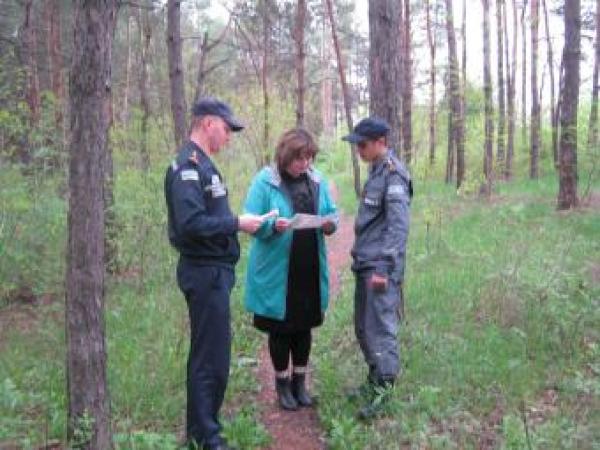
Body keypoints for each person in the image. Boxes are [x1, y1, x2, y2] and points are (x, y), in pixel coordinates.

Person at [164, 97, 264, 450]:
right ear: (208, 123)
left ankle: (203, 430)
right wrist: (238, 223)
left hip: (215, 273)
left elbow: (207, 217)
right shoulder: (188, 167)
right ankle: (207, 438)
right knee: (210, 358)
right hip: (203, 273)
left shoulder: (204, 165)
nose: (229, 137)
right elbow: (191, 224)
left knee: (213, 354)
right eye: (226, 128)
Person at [243, 128, 338, 411]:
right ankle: (282, 386)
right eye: (300, 159)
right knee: (281, 330)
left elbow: (332, 214)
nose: (305, 164)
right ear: (286, 156)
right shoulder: (265, 181)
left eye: (309, 158)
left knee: (304, 327)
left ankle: (300, 384)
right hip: (277, 272)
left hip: (308, 268)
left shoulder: (317, 180)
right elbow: (250, 219)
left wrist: (328, 224)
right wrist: (273, 225)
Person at [342, 117, 412, 420]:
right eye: (357, 144)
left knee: (380, 329)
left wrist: (384, 266)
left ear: (381, 141)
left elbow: (398, 227)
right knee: (363, 327)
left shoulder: (394, 175)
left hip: (380, 267)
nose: (359, 149)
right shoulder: (376, 171)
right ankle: (374, 380)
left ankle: (385, 392)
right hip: (366, 263)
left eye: (364, 144)